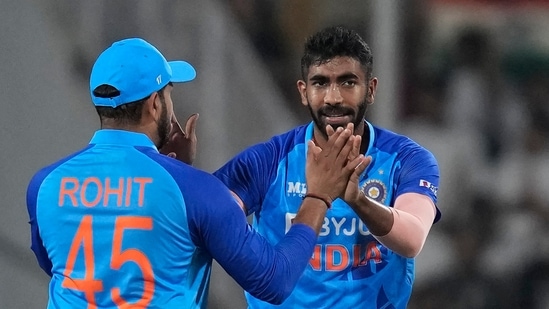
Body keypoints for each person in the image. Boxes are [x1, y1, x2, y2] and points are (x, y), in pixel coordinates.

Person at [25, 37, 368, 308]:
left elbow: (65, 266)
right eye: (169, 93)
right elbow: (273, 281)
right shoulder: (195, 192)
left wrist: (176, 171)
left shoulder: (43, 185)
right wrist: (319, 195)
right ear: (155, 104)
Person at [213, 26, 442, 308]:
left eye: (347, 82)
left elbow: (412, 240)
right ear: (303, 91)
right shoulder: (269, 160)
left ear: (370, 90)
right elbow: (211, 218)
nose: (333, 98)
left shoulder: (407, 159)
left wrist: (358, 200)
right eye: (320, 83)